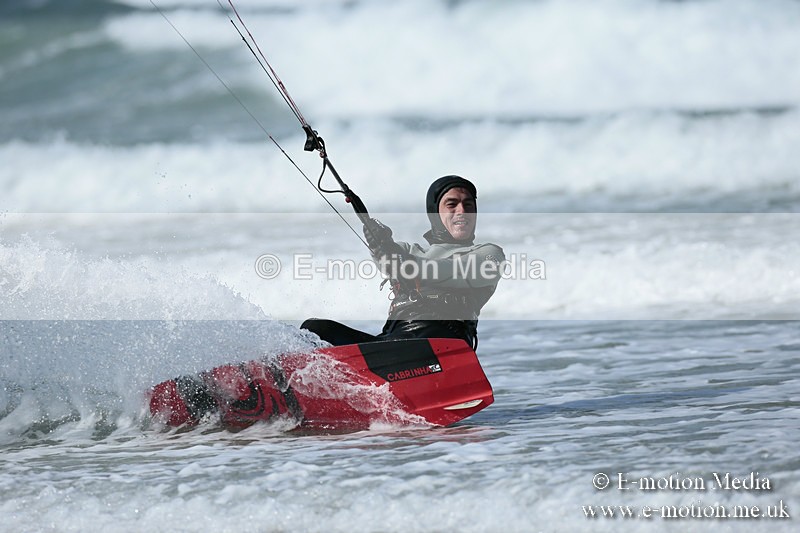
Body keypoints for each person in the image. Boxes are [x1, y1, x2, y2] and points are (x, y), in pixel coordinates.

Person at [301, 175, 504, 350]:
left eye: (468, 205)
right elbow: (387, 261)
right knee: (315, 330)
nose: (462, 211)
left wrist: (405, 263)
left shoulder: (489, 254)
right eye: (452, 205)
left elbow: (452, 270)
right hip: (394, 343)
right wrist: (380, 244)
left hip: (443, 343)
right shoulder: (410, 251)